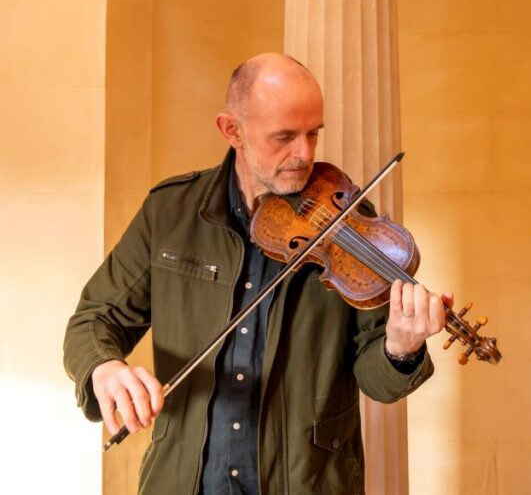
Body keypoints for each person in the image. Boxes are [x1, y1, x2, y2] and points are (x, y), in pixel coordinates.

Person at [63, 53, 448, 494]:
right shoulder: (169, 212)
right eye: (284, 137)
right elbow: (94, 319)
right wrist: (105, 367)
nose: (303, 154)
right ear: (232, 130)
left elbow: (377, 382)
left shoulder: (347, 226)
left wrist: (401, 348)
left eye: (312, 134)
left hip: (308, 483)